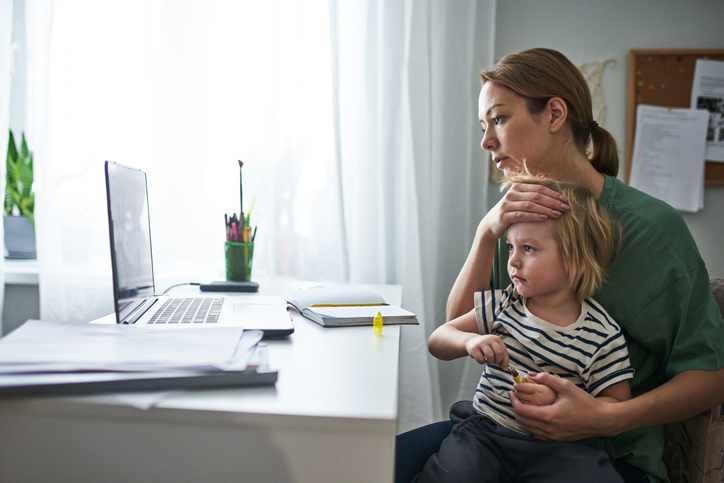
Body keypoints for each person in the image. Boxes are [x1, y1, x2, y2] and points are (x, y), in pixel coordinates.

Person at [395, 48, 724, 483]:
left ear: (554, 114)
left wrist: (606, 419)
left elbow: (710, 376)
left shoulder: (652, 230)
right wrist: (486, 232)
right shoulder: (517, 219)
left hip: (604, 455)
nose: (486, 141)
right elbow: (455, 323)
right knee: (370, 462)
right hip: (497, 434)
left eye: (498, 119)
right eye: (483, 126)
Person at [414, 173, 634, 482]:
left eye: (528, 249)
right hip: (485, 435)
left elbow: (617, 407)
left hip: (562, 448)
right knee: (451, 474)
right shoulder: (506, 302)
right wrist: (468, 342)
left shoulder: (602, 335)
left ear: (577, 259)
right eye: (510, 247)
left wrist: (564, 404)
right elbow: (438, 339)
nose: (512, 261)